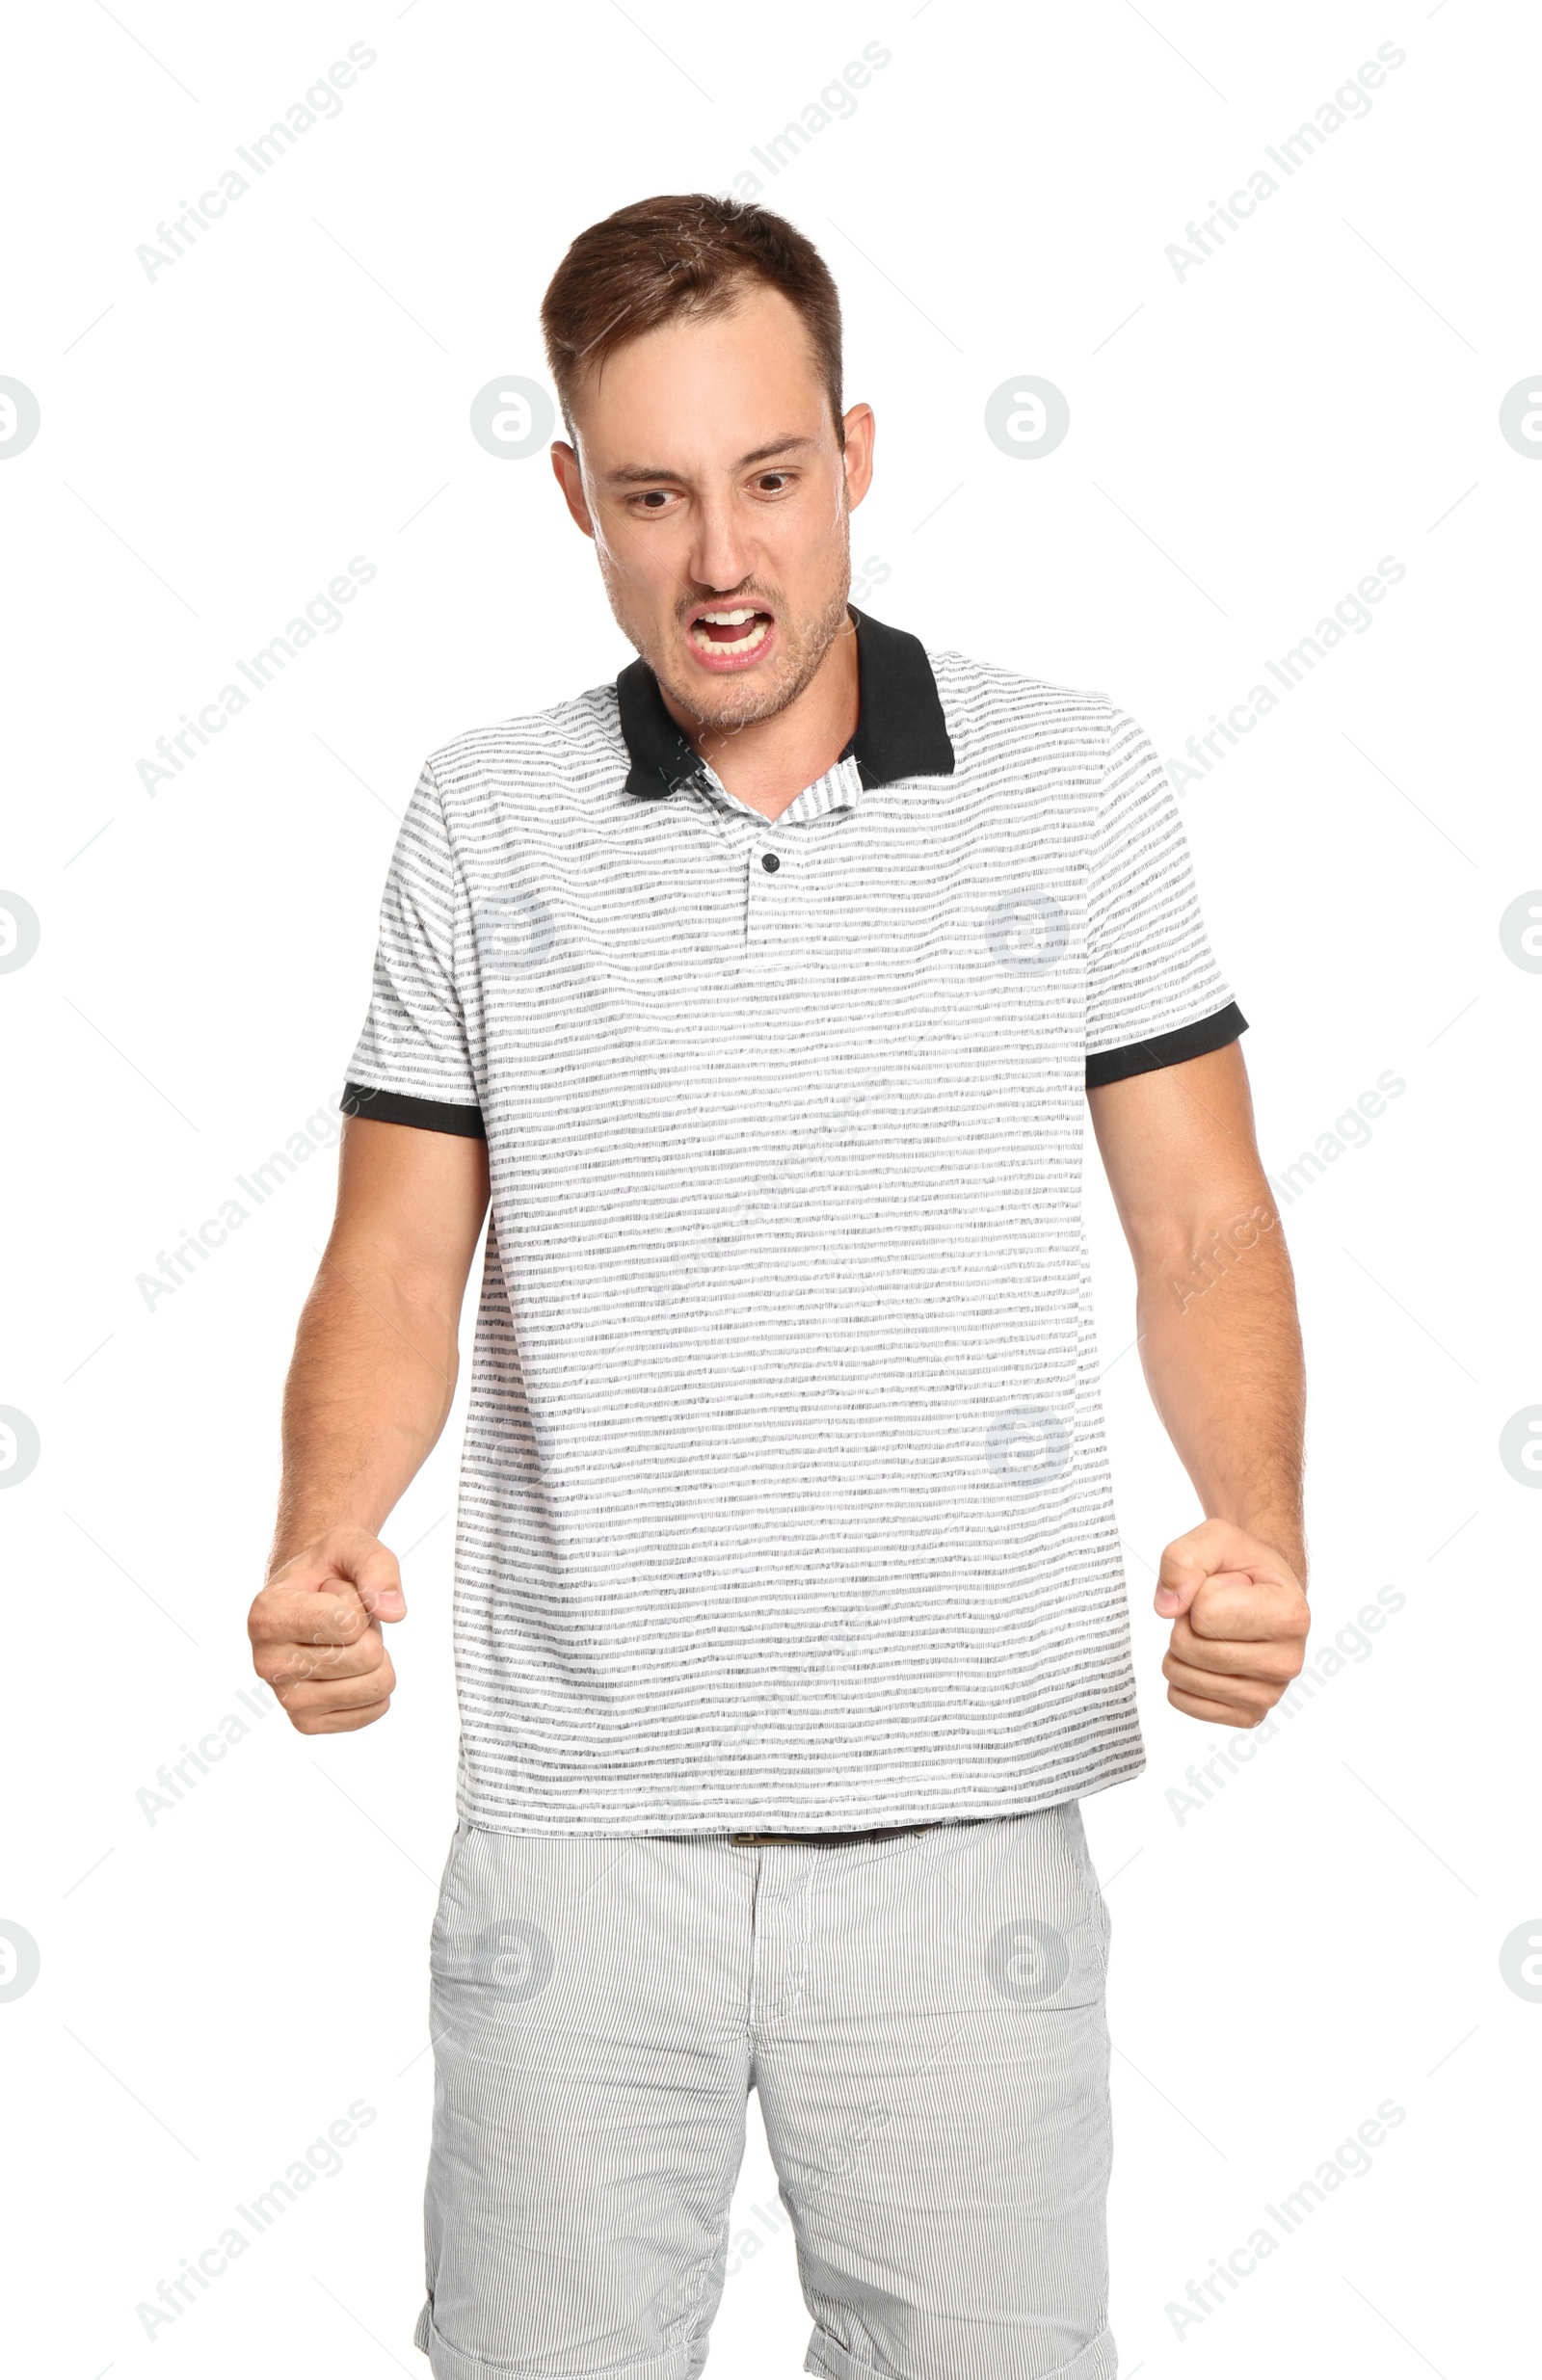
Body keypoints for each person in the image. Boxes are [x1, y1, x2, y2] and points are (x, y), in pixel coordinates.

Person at [247, 194, 1309, 2380]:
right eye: (650, 494)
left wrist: (1256, 1524)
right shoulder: (479, 820)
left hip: (964, 1812)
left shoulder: (1073, 779)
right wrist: (318, 1533)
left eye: (766, 478)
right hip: (576, 1825)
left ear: (850, 453)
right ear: (574, 499)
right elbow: (392, 1250)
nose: (718, 557)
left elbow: (1198, 1218)